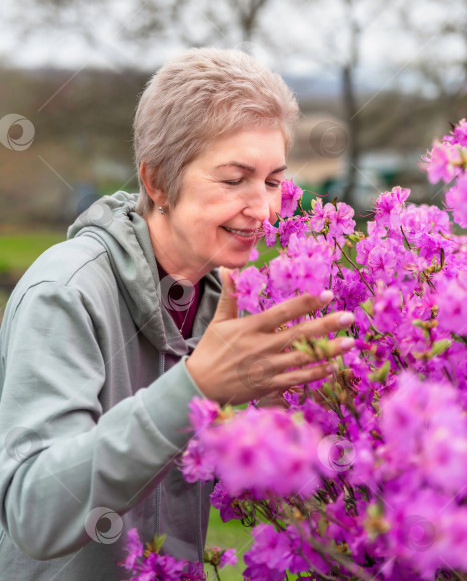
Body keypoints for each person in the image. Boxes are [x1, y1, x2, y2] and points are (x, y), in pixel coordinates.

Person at [0, 48, 356, 579]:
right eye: (234, 180)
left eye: (274, 180)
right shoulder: (66, 294)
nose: (263, 208)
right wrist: (194, 389)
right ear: (158, 182)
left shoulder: (223, 297)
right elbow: (33, 512)